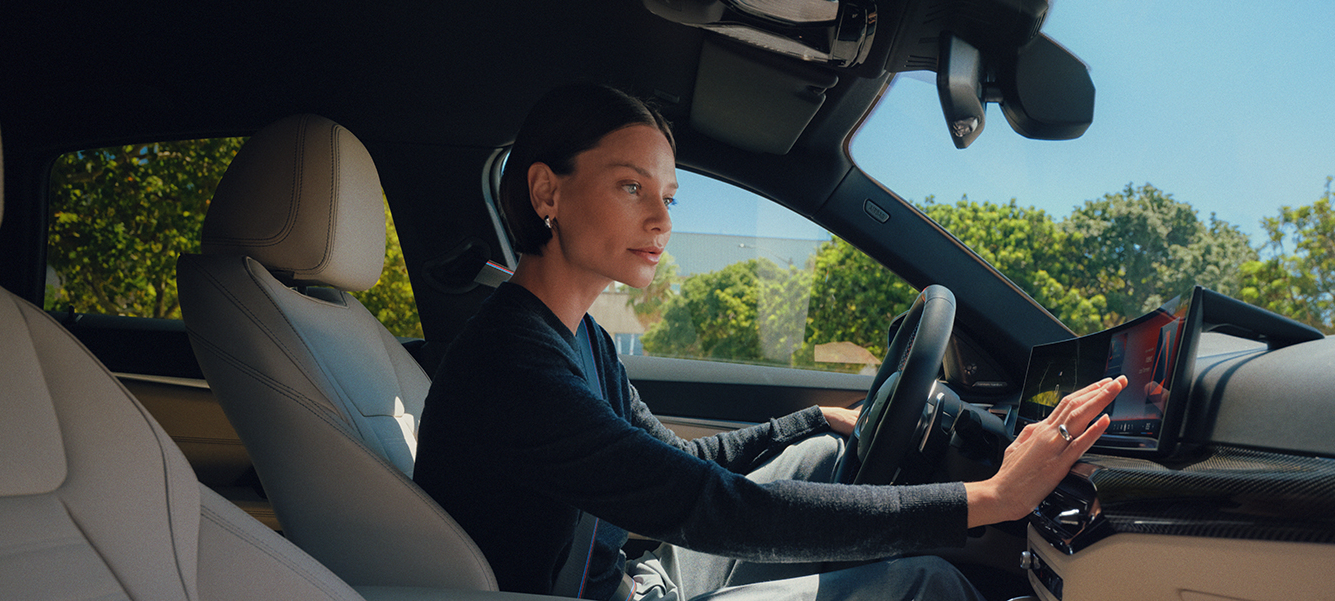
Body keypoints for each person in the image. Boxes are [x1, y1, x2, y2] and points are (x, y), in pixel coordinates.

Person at [414, 83, 1126, 601]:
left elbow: (673, 462)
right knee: (926, 585)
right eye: (632, 187)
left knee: (821, 452)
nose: (662, 219)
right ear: (547, 194)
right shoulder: (513, 365)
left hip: (635, 576)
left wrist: (810, 419)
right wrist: (988, 497)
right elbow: (714, 507)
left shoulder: (583, 338)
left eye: (669, 195)